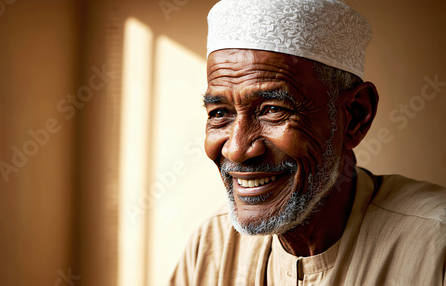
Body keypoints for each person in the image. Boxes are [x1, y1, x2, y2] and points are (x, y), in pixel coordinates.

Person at [169, 0, 446, 285]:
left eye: (273, 109)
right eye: (220, 113)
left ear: (354, 117)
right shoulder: (211, 248)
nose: (237, 149)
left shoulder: (436, 246)